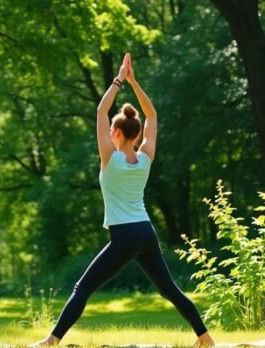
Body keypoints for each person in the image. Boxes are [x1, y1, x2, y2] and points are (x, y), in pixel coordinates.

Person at [28, 53, 215, 348]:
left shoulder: (110, 159)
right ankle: (205, 338)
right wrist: (135, 82)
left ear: (116, 133)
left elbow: (101, 111)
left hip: (125, 236)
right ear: (137, 134)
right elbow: (152, 116)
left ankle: (51, 341)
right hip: (145, 232)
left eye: (111, 131)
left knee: (83, 287)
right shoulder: (144, 158)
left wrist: (119, 79)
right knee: (170, 290)